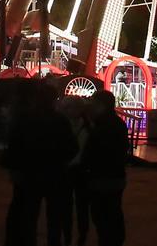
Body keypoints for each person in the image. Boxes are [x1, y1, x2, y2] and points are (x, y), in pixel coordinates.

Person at [2, 83, 78, 246]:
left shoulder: (25, 119)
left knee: (29, 214)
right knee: (54, 217)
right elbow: (72, 147)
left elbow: (14, 146)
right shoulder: (60, 121)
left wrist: (16, 168)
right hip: (55, 174)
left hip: (30, 174)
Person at [83, 91, 129, 246]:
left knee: (102, 214)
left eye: (94, 104)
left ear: (101, 106)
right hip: (116, 175)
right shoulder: (118, 123)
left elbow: (93, 151)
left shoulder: (101, 125)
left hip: (102, 176)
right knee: (113, 211)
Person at [56, 96, 92, 246]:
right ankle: (74, 235)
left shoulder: (61, 126)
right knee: (74, 205)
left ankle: (75, 235)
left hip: (71, 170)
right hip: (77, 170)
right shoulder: (88, 126)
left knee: (75, 205)